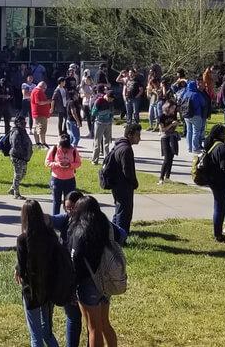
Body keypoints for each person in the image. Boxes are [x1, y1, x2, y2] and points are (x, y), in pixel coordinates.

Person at [15, 199, 74, 347]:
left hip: (32, 291)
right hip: (48, 290)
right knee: (47, 332)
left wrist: (18, 270)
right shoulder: (50, 235)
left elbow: (22, 269)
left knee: (35, 336)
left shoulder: (23, 240)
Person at [67, 197, 118, 347]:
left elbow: (75, 259)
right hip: (105, 279)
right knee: (104, 323)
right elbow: (121, 235)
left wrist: (72, 285)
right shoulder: (105, 225)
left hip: (88, 283)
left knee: (93, 327)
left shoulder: (80, 231)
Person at [201, 124, 225, 242]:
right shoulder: (222, 148)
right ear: (221, 134)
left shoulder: (212, 145)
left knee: (218, 207)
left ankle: (218, 233)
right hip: (221, 183)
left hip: (214, 181)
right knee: (220, 208)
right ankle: (218, 234)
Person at [105, 123, 140, 240]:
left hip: (117, 184)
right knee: (124, 213)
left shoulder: (119, 145)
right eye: (137, 135)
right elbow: (127, 171)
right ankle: (120, 237)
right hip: (123, 186)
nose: (139, 138)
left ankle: (113, 234)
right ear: (130, 135)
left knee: (119, 211)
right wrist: (135, 183)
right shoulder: (126, 149)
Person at [45, 134, 81, 216]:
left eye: (66, 149)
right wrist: (57, 164)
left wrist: (70, 165)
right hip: (56, 180)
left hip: (70, 180)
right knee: (56, 201)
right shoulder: (54, 149)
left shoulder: (74, 150)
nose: (64, 150)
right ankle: (55, 220)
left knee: (70, 202)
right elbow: (47, 163)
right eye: (62, 148)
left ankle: (69, 220)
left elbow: (78, 163)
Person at [9, 114, 34, 200]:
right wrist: (23, 155)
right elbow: (16, 146)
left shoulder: (22, 130)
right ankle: (16, 194)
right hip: (17, 157)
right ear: (17, 123)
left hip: (24, 157)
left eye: (25, 122)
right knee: (18, 174)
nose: (24, 124)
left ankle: (13, 188)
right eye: (22, 122)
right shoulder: (16, 132)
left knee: (23, 173)